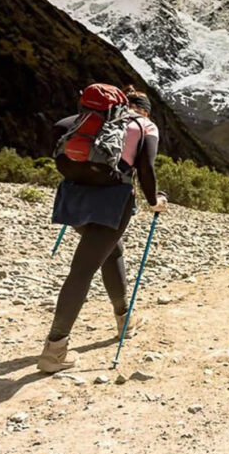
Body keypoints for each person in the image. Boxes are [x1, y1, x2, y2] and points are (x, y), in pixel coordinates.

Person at [37, 85, 168, 374]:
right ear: (144, 109)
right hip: (111, 204)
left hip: (72, 201)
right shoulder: (145, 126)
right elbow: (145, 168)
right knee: (83, 269)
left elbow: (57, 136)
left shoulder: (81, 122)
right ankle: (55, 350)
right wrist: (154, 200)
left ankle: (125, 319)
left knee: (111, 250)